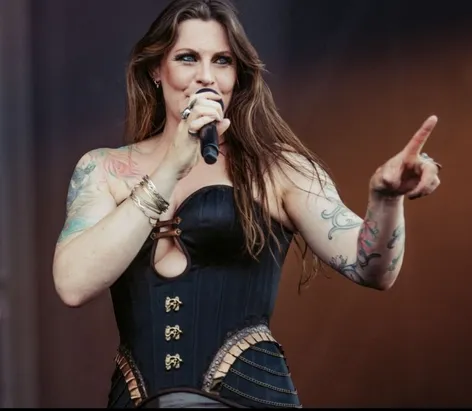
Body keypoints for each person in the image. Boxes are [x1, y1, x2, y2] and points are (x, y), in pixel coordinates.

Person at [52, 0, 442, 408]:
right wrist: (170, 168)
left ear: (237, 76)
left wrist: (386, 198)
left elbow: (371, 268)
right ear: (156, 70)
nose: (206, 76)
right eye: (187, 58)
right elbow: (73, 284)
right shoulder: (105, 169)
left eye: (222, 61)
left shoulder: (278, 170)